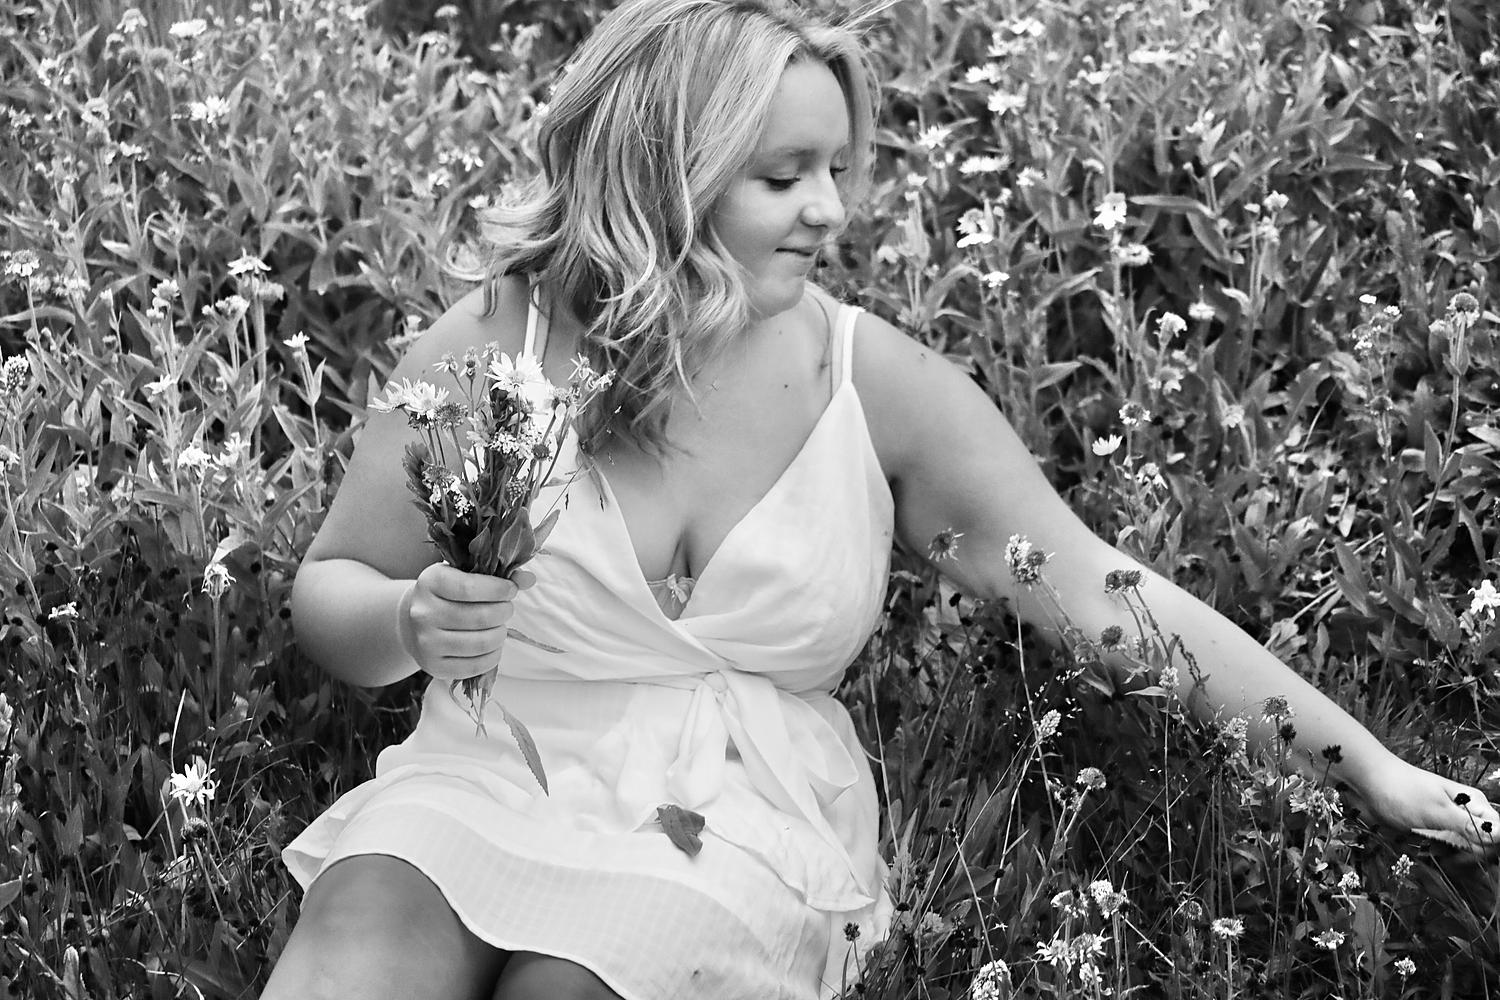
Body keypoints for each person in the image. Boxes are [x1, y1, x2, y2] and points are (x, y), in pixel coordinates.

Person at [266, 2, 1499, 998]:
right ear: (663, 177)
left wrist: (1371, 767)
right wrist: (412, 623)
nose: (831, 209)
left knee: (580, 979)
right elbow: (331, 590)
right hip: (493, 768)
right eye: (783, 175)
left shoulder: (872, 381)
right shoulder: (502, 342)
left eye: (836, 169)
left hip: (729, 819)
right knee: (365, 927)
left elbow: (1102, 595)